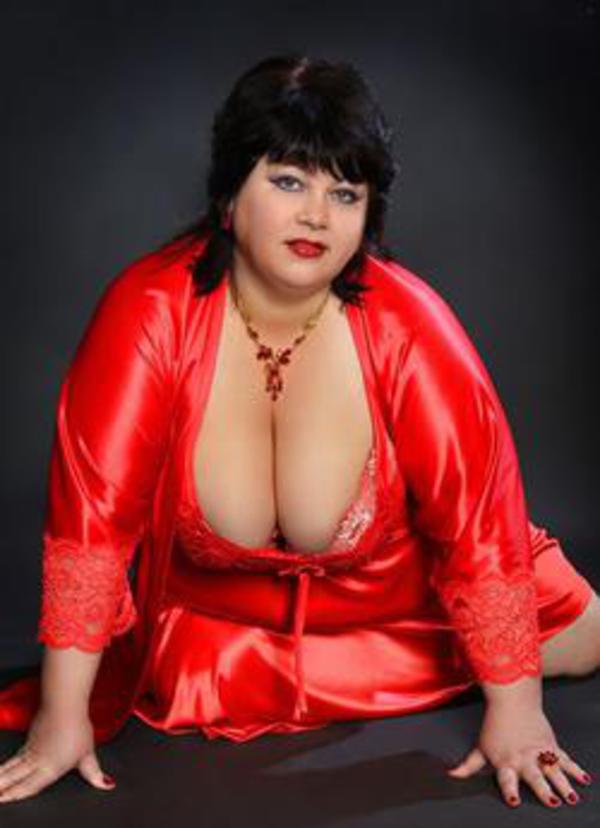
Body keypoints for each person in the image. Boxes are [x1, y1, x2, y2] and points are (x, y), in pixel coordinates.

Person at [0, 53, 598, 810]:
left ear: (368, 216)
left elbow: (479, 529)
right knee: (182, 671)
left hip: (422, 613)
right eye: (288, 182)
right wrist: (62, 721)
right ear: (229, 195)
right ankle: (318, 675)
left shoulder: (411, 324)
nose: (317, 215)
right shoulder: (148, 311)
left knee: (587, 638)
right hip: (219, 637)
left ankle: (431, 667)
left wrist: (516, 712)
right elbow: (91, 530)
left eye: (344, 193)